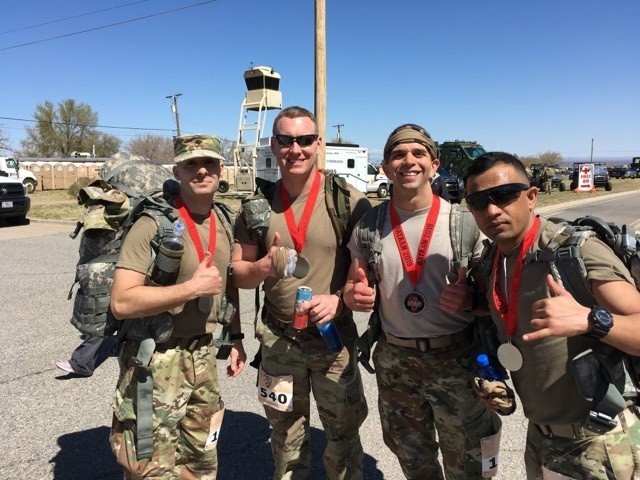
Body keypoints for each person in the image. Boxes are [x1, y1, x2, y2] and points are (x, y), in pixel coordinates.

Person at [464, 151, 640, 479]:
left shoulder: (575, 252)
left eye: (504, 196)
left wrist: (592, 320)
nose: (491, 209)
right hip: (542, 438)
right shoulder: (494, 261)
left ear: (531, 197)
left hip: (600, 442)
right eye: (478, 201)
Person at [343, 123, 500, 480]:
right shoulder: (370, 224)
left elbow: (497, 298)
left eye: (417, 153)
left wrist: (472, 298)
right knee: (415, 463)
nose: (408, 161)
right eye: (398, 154)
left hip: (459, 361)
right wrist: (354, 296)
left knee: (470, 466)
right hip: (396, 363)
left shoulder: (465, 223)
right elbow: (355, 283)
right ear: (385, 168)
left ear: (434, 164)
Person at [232, 106, 371, 479]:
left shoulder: (350, 202)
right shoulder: (255, 208)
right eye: (286, 140)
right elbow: (240, 274)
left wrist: (340, 298)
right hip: (278, 342)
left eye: (305, 140)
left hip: (332, 341)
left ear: (318, 144)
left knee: (343, 437)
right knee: (286, 435)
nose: (296, 149)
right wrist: (263, 267)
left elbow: (367, 274)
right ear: (274, 145)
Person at [109, 134, 246, 479]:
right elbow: (123, 301)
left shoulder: (224, 220)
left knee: (200, 461)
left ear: (221, 168)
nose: (202, 170)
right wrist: (189, 289)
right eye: (191, 164)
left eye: (210, 163)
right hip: (155, 360)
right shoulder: (153, 224)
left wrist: (236, 336)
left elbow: (227, 284)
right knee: (150, 468)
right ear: (177, 171)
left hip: (203, 356)